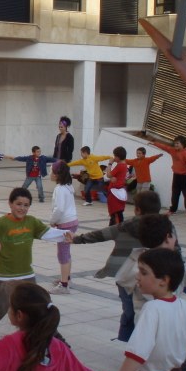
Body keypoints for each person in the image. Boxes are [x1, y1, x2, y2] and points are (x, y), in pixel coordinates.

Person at [68, 191, 163, 343]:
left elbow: (99, 235)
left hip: (126, 277)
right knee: (153, 310)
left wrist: (77, 239)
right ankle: (147, 341)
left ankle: (127, 341)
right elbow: (175, 252)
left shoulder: (125, 227)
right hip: (155, 278)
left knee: (129, 310)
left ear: (137, 210)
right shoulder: (166, 229)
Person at [0, 187, 69, 341]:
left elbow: (48, 233)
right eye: (18, 204)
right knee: (3, 304)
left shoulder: (31, 222)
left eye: (26, 205)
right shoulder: (2, 222)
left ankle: (51, 333)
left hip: (26, 273)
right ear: (10, 204)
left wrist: (65, 234)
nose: (22, 208)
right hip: (5, 275)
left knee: (38, 303)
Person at [48, 161, 79, 295]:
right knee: (66, 252)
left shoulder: (60, 189)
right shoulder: (68, 186)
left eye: (51, 171)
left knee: (62, 254)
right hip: (72, 222)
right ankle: (67, 278)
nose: (50, 173)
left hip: (65, 224)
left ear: (57, 175)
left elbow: (59, 209)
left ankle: (64, 285)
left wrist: (52, 221)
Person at [150, 135, 186, 217]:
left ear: (183, 144)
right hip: (176, 175)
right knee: (175, 193)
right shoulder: (172, 150)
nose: (175, 145)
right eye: (175, 143)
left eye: (177, 143)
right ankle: (172, 210)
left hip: (185, 176)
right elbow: (165, 147)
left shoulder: (185, 152)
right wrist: (155, 143)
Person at [106, 146, 129, 226]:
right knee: (118, 213)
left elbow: (108, 175)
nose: (114, 158)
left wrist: (110, 163)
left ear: (118, 157)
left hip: (115, 192)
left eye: (115, 156)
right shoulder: (124, 164)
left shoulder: (120, 165)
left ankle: (116, 229)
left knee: (115, 213)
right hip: (118, 191)